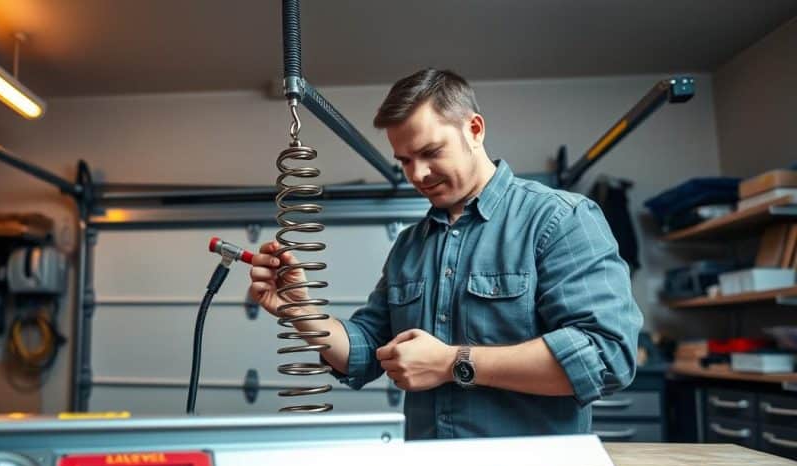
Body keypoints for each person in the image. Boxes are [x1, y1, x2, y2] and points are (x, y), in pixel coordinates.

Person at [248, 68, 642, 439]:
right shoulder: (410, 245)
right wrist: (298, 310)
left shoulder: (559, 219)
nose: (417, 174)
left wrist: (452, 363)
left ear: (474, 129)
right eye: (404, 160)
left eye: (431, 152)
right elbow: (367, 351)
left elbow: (607, 358)